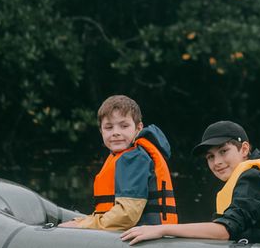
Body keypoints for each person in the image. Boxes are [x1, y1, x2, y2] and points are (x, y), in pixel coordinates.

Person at [120, 120, 260, 248]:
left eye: (223, 151)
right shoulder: (256, 170)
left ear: (244, 149)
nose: (216, 162)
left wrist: (161, 229)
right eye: (210, 157)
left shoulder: (255, 178)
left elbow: (226, 231)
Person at [59, 94, 177, 231]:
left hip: (145, 241)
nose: (116, 133)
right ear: (101, 131)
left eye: (124, 126)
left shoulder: (134, 158)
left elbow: (126, 215)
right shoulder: (123, 157)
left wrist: (84, 225)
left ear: (138, 128)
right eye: (109, 128)